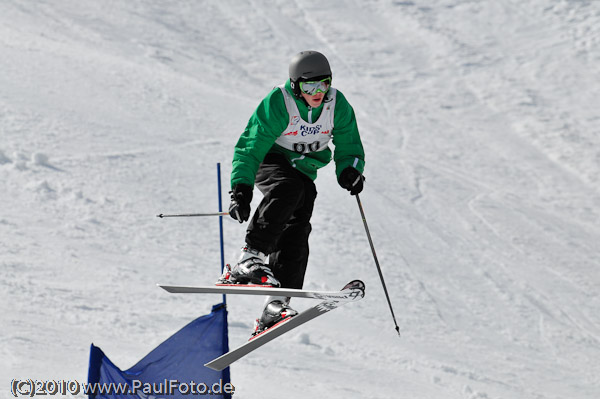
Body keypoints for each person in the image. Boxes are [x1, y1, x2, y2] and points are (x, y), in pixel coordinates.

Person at [218, 50, 365, 336]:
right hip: (269, 160)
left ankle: (276, 303)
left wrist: (349, 169)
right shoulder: (279, 102)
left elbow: (350, 144)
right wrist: (241, 189)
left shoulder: (337, 105)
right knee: (288, 188)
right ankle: (248, 259)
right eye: (309, 87)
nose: (317, 92)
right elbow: (251, 145)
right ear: (296, 86)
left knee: (298, 223)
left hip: (302, 170)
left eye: (323, 84)